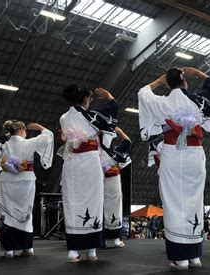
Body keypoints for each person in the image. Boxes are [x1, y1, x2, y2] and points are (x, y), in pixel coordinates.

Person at [138, 67, 210, 270]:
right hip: (194, 154)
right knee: (194, 200)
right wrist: (197, 73)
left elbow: (142, 93)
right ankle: (194, 256)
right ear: (185, 82)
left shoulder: (162, 103)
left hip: (172, 153)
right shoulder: (197, 100)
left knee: (174, 202)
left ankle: (180, 257)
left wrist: (157, 82)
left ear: (168, 83)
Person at [59, 85, 117, 262]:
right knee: (93, 200)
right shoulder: (89, 115)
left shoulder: (63, 118)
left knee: (72, 201)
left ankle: (73, 250)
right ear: (85, 99)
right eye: (90, 99)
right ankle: (92, 250)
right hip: (89, 161)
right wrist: (109, 97)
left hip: (71, 162)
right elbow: (112, 111)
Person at [0, 120, 53, 257]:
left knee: (7, 211)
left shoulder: (3, 145)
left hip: (7, 180)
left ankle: (9, 249)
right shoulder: (28, 143)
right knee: (25, 211)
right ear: (21, 130)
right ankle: (27, 247)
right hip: (25, 180)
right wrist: (40, 127)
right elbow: (48, 136)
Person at [101, 125, 132, 248]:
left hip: (97, 179)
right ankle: (115, 239)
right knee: (114, 208)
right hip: (112, 180)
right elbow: (127, 142)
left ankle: (99, 239)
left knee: (98, 207)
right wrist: (119, 131)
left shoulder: (94, 149)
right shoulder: (113, 153)